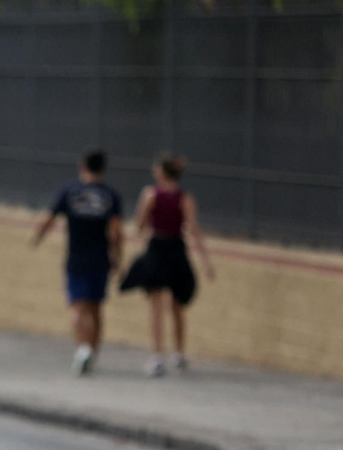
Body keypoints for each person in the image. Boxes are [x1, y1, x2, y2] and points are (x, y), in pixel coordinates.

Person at [120, 154, 215, 376]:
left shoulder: (150, 194)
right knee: (177, 305)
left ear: (161, 172)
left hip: (158, 248)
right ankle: (179, 354)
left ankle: (157, 356)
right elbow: (194, 229)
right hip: (176, 250)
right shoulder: (185, 198)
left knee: (156, 306)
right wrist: (206, 261)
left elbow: (140, 225)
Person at [32, 150, 123, 375]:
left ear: (82, 166)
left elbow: (49, 218)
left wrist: (37, 237)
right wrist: (117, 258)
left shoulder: (70, 192)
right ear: (103, 169)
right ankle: (93, 353)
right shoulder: (110, 195)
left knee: (77, 306)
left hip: (77, 257)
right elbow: (115, 232)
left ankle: (82, 349)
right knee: (96, 308)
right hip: (100, 259)